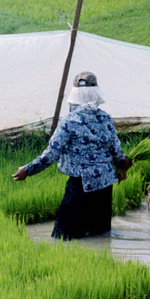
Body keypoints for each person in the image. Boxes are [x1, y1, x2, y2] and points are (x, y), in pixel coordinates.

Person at [12, 71, 131, 240]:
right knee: (100, 236)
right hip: (104, 186)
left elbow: (50, 154)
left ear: (74, 94)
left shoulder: (69, 121)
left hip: (81, 185)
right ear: (96, 92)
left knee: (63, 236)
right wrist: (123, 162)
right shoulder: (105, 119)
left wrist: (27, 170)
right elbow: (117, 152)